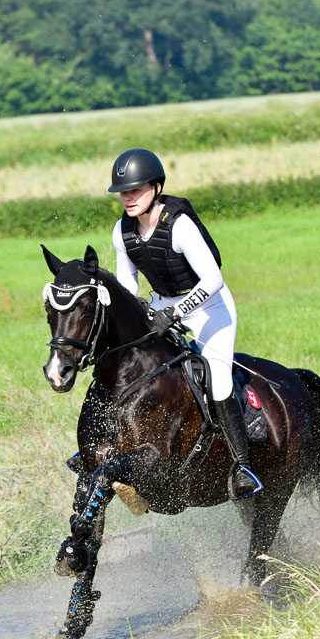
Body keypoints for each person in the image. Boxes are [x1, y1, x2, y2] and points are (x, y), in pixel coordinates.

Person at [108, 147, 262, 500]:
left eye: (135, 190)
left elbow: (212, 280)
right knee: (132, 369)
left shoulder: (179, 225)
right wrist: (134, 313)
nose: (128, 198)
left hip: (208, 308)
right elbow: (128, 284)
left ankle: (242, 466)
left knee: (217, 375)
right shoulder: (123, 231)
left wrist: (176, 315)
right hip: (161, 307)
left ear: (156, 187)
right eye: (123, 192)